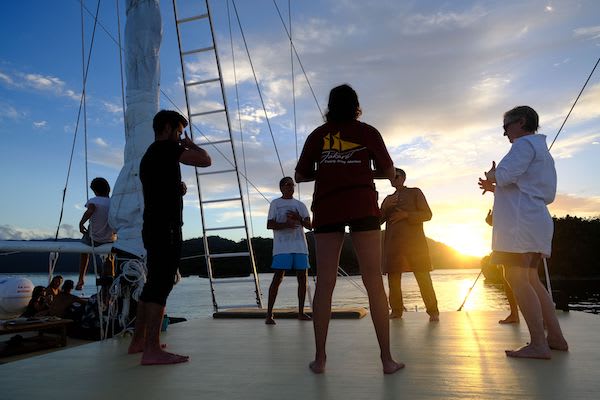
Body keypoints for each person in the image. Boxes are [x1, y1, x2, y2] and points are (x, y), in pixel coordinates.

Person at [295, 84, 404, 374]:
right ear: (356, 105)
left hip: (328, 207)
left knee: (325, 284)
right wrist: (361, 169)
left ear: (329, 107)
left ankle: (320, 360)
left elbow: (299, 174)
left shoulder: (318, 136)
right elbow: (391, 172)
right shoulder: (368, 132)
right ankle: (386, 360)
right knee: (373, 282)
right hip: (362, 205)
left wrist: (330, 170)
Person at [478, 105, 568, 359]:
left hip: (519, 226)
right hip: (533, 221)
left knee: (516, 279)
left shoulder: (523, 146)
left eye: (506, 125)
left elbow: (506, 175)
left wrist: (493, 175)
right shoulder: (540, 150)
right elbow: (523, 186)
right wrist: (496, 186)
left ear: (522, 122)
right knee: (530, 280)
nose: (504, 131)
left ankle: (539, 343)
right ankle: (556, 337)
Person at [128, 109, 211, 365]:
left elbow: (158, 188)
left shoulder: (151, 155)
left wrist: (177, 189)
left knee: (153, 284)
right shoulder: (165, 148)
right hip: (167, 228)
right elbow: (205, 160)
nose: (180, 136)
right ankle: (152, 349)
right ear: (167, 127)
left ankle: (139, 341)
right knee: (161, 285)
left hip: (153, 226)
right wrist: (191, 144)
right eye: (179, 131)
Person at [380, 168, 439, 322]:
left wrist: (406, 215)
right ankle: (396, 311)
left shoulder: (415, 192)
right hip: (393, 245)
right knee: (393, 279)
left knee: (423, 277)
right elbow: (378, 221)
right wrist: (385, 208)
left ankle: (433, 312)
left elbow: (428, 214)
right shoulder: (388, 199)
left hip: (415, 245)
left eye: (396, 176)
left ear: (404, 178)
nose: (394, 179)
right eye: (391, 177)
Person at [265, 176, 313, 325]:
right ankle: (269, 315)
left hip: (299, 246)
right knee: (278, 277)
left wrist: (298, 218)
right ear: (281, 187)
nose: (291, 187)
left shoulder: (300, 205)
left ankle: (300, 313)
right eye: (287, 185)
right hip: (282, 247)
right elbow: (269, 224)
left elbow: (310, 226)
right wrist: (285, 224)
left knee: (302, 278)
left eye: (292, 185)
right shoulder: (275, 203)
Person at [76, 177, 116, 291]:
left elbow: (90, 210)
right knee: (109, 258)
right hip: (109, 238)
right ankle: (111, 279)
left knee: (84, 253)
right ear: (108, 189)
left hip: (93, 237)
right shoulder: (113, 202)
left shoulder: (93, 201)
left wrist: (81, 223)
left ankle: (81, 279)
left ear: (95, 191)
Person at [485, 210, 520, 324]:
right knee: (509, 277)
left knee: (525, 278)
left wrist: (491, 220)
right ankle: (514, 314)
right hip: (509, 239)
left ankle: (540, 318)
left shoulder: (505, 193)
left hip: (512, 239)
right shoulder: (501, 195)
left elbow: (506, 217)